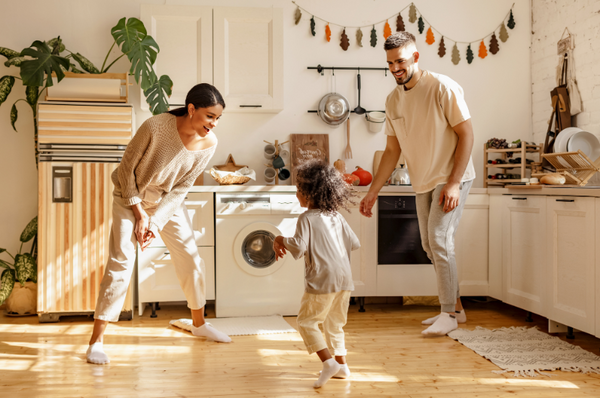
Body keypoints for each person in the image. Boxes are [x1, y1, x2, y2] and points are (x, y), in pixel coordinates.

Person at [86, 83, 232, 365]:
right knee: (121, 262)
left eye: (217, 119)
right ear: (191, 109)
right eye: (209, 116)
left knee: (190, 257)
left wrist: (155, 220)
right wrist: (140, 214)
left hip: (166, 203)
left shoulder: (208, 144)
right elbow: (127, 170)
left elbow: (181, 188)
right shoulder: (155, 127)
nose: (213, 124)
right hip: (130, 198)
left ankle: (199, 325)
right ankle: (96, 341)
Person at [360, 32, 476, 336]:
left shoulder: (442, 87)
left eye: (400, 61)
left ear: (415, 57)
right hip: (423, 180)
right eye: (390, 63)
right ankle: (457, 308)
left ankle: (447, 313)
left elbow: (467, 135)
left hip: (452, 177)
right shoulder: (393, 100)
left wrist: (453, 183)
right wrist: (373, 191)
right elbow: (391, 151)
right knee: (429, 244)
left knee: (439, 239)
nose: (395, 68)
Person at [273, 160, 360, 388]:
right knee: (335, 323)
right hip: (345, 279)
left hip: (322, 279)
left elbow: (299, 247)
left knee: (306, 322)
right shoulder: (336, 217)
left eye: (298, 191)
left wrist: (280, 239)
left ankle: (328, 363)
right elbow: (355, 243)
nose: (296, 196)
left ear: (308, 195)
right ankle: (342, 366)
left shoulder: (306, 219)